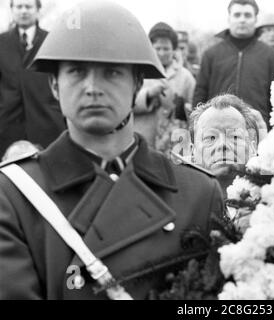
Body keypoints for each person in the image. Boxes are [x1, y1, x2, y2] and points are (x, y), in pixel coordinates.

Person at [0, 0, 224, 300]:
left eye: (112, 72)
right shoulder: (14, 194)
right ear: (54, 85)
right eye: (77, 71)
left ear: (137, 83)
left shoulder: (198, 192)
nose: (92, 87)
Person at [193, 0, 274, 128]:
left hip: (257, 128)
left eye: (247, 15)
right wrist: (197, 127)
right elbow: (200, 93)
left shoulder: (270, 55)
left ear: (255, 19)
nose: (242, 20)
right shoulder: (211, 54)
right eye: (237, 15)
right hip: (217, 128)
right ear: (229, 18)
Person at [0, 0, 65, 158]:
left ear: (38, 10)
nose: (23, 11)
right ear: (12, 10)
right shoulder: (1, 42)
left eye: (28, 7)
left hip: (46, 123)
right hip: (7, 126)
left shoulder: (52, 41)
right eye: (19, 7)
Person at [134, 22, 196, 156]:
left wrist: (182, 108)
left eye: (166, 48)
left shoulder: (186, 77)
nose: (162, 53)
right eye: (158, 48)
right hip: (143, 140)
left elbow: (195, 111)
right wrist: (148, 95)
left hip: (176, 145)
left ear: (173, 49)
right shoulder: (138, 73)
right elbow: (125, 104)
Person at [190, 94, 259, 192]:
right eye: (210, 137)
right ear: (193, 152)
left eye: (234, 136)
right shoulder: (177, 204)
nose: (222, 144)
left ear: (253, 148)